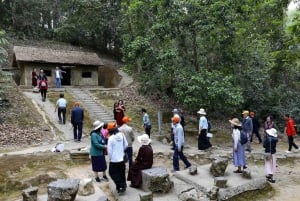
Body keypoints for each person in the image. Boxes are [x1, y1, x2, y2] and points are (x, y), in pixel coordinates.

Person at [107, 122, 128, 193]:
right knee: (121, 173)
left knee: (112, 173)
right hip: (121, 158)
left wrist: (110, 158)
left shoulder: (111, 138)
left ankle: (122, 185)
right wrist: (121, 151)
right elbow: (126, 145)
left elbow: (109, 151)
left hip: (114, 160)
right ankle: (120, 187)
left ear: (110, 131)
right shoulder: (122, 135)